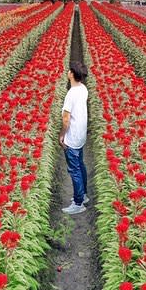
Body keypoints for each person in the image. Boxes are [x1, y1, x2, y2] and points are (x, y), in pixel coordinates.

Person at [60, 61, 89, 215]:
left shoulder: (71, 94)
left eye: (69, 70)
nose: (67, 72)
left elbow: (66, 119)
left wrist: (62, 136)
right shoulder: (83, 89)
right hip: (81, 134)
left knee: (74, 169)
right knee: (80, 165)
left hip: (72, 136)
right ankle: (83, 195)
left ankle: (78, 203)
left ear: (71, 74)